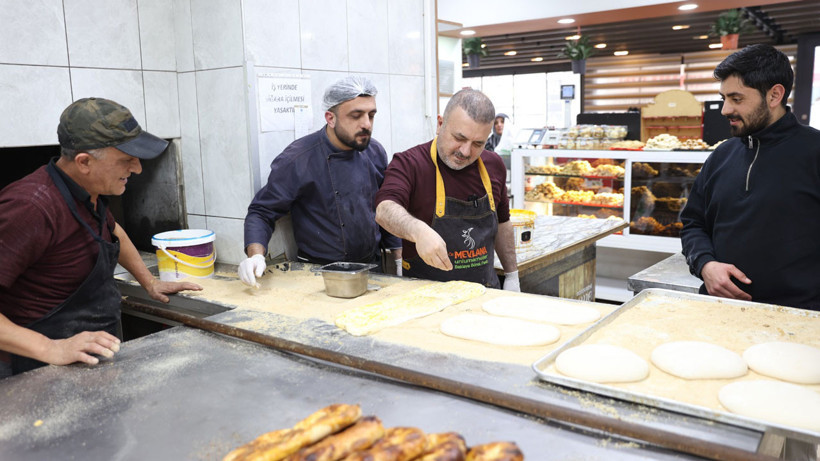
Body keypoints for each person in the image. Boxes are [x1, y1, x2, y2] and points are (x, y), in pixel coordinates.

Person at [0, 97, 202, 377]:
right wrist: (50, 348)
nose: (137, 169)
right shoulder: (30, 208)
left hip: (86, 360)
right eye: (126, 160)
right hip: (32, 370)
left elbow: (113, 230)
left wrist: (150, 282)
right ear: (84, 162)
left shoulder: (87, 193)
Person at [681, 44, 820, 310]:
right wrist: (705, 264)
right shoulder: (721, 155)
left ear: (774, 95)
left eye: (736, 99)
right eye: (724, 98)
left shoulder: (814, 152)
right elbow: (693, 224)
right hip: (717, 309)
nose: (725, 109)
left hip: (797, 319)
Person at [240, 76, 401, 287]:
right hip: (318, 275)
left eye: (371, 115)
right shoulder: (298, 159)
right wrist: (255, 256)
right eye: (356, 116)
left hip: (372, 267)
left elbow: (385, 206)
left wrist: (397, 255)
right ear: (330, 118)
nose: (366, 124)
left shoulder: (375, 151)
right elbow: (261, 211)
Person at [375, 89, 520, 291]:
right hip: (425, 296)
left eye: (478, 143)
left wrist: (512, 275)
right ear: (440, 124)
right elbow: (384, 209)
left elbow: (503, 223)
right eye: (459, 138)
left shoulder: (493, 165)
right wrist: (418, 231)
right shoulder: (410, 163)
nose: (465, 151)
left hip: (485, 293)